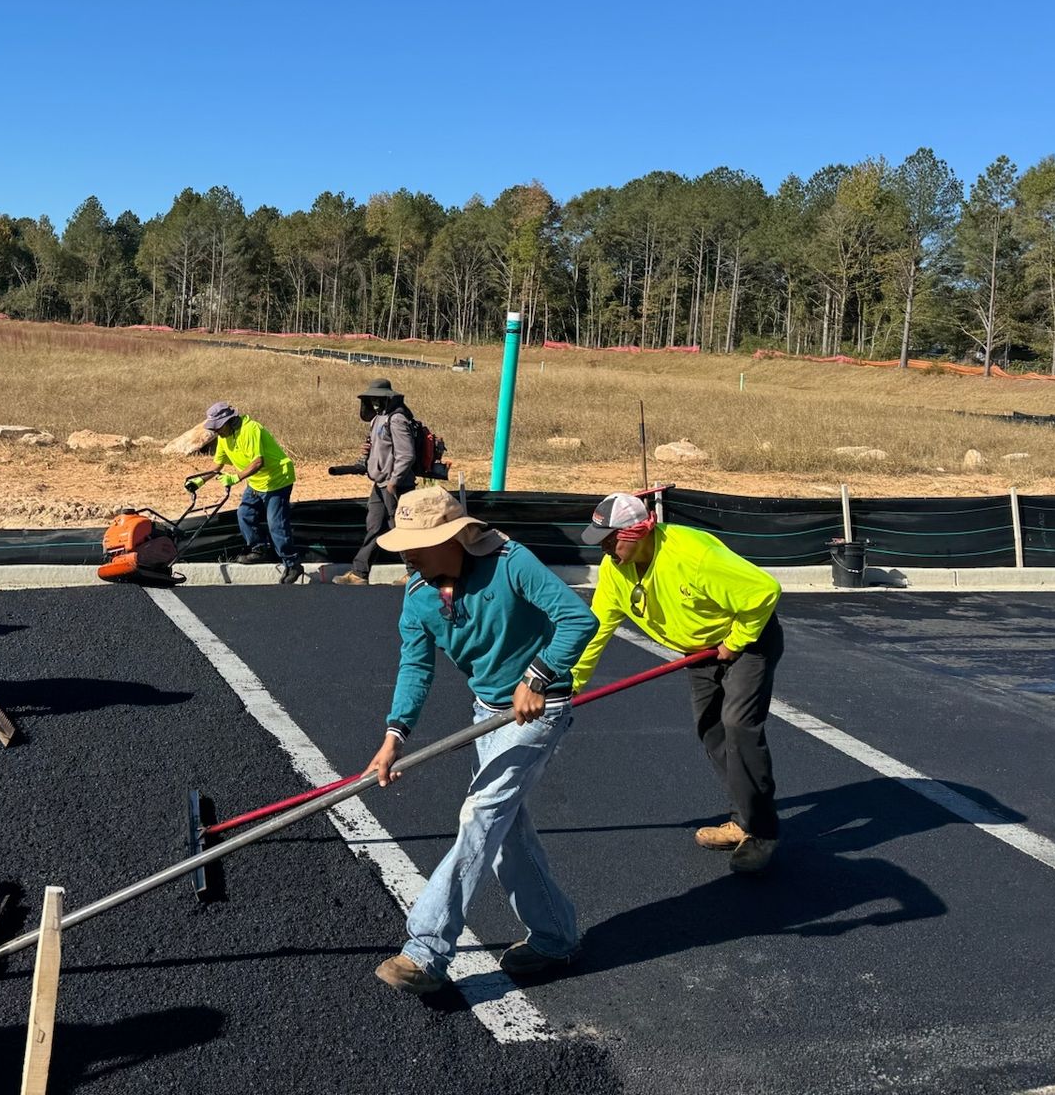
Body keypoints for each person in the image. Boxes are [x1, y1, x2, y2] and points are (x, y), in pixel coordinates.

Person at [365, 486, 598, 994]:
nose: (408, 554)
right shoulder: (419, 594)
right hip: (487, 713)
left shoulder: (510, 563)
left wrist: (538, 675)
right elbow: (415, 666)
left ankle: (425, 950)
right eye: (403, 545)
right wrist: (394, 734)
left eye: (418, 545)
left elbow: (578, 619)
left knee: (479, 817)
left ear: (454, 538)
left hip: (538, 709)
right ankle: (556, 936)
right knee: (504, 834)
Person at [571, 492, 785, 873]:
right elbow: (597, 630)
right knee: (711, 730)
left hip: (746, 639)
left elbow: (763, 591)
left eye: (611, 539)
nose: (604, 549)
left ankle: (762, 833)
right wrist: (571, 686)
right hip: (699, 651)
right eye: (600, 541)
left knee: (739, 724)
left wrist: (734, 643)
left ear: (641, 530)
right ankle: (743, 819)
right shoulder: (615, 572)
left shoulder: (693, 555)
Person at [203, 401, 304, 584]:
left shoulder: (251, 429)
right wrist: (199, 480)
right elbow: (217, 464)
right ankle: (259, 549)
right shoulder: (224, 437)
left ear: (230, 421)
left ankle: (292, 562)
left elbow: (258, 462)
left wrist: (235, 478)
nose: (216, 432)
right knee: (244, 514)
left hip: (277, 479)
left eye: (218, 427)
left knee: (276, 524)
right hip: (256, 482)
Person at [333, 378, 418, 588]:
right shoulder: (378, 418)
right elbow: (381, 448)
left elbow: (406, 455)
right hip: (380, 484)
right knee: (374, 527)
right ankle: (360, 572)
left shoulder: (397, 419)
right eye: (372, 398)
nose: (375, 402)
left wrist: (394, 481)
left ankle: (415, 572)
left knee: (399, 528)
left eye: (378, 398)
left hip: (394, 485)